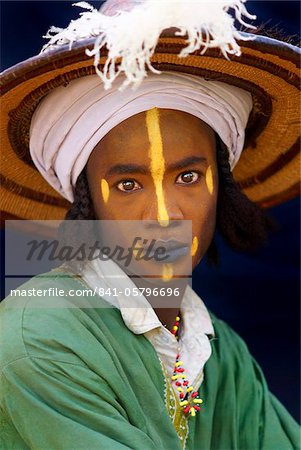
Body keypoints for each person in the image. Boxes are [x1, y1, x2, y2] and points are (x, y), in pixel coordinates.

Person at [0, 0, 300, 449]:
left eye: (187, 177)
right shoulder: (38, 338)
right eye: (126, 185)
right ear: (87, 203)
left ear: (222, 187)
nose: (164, 216)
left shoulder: (218, 351)